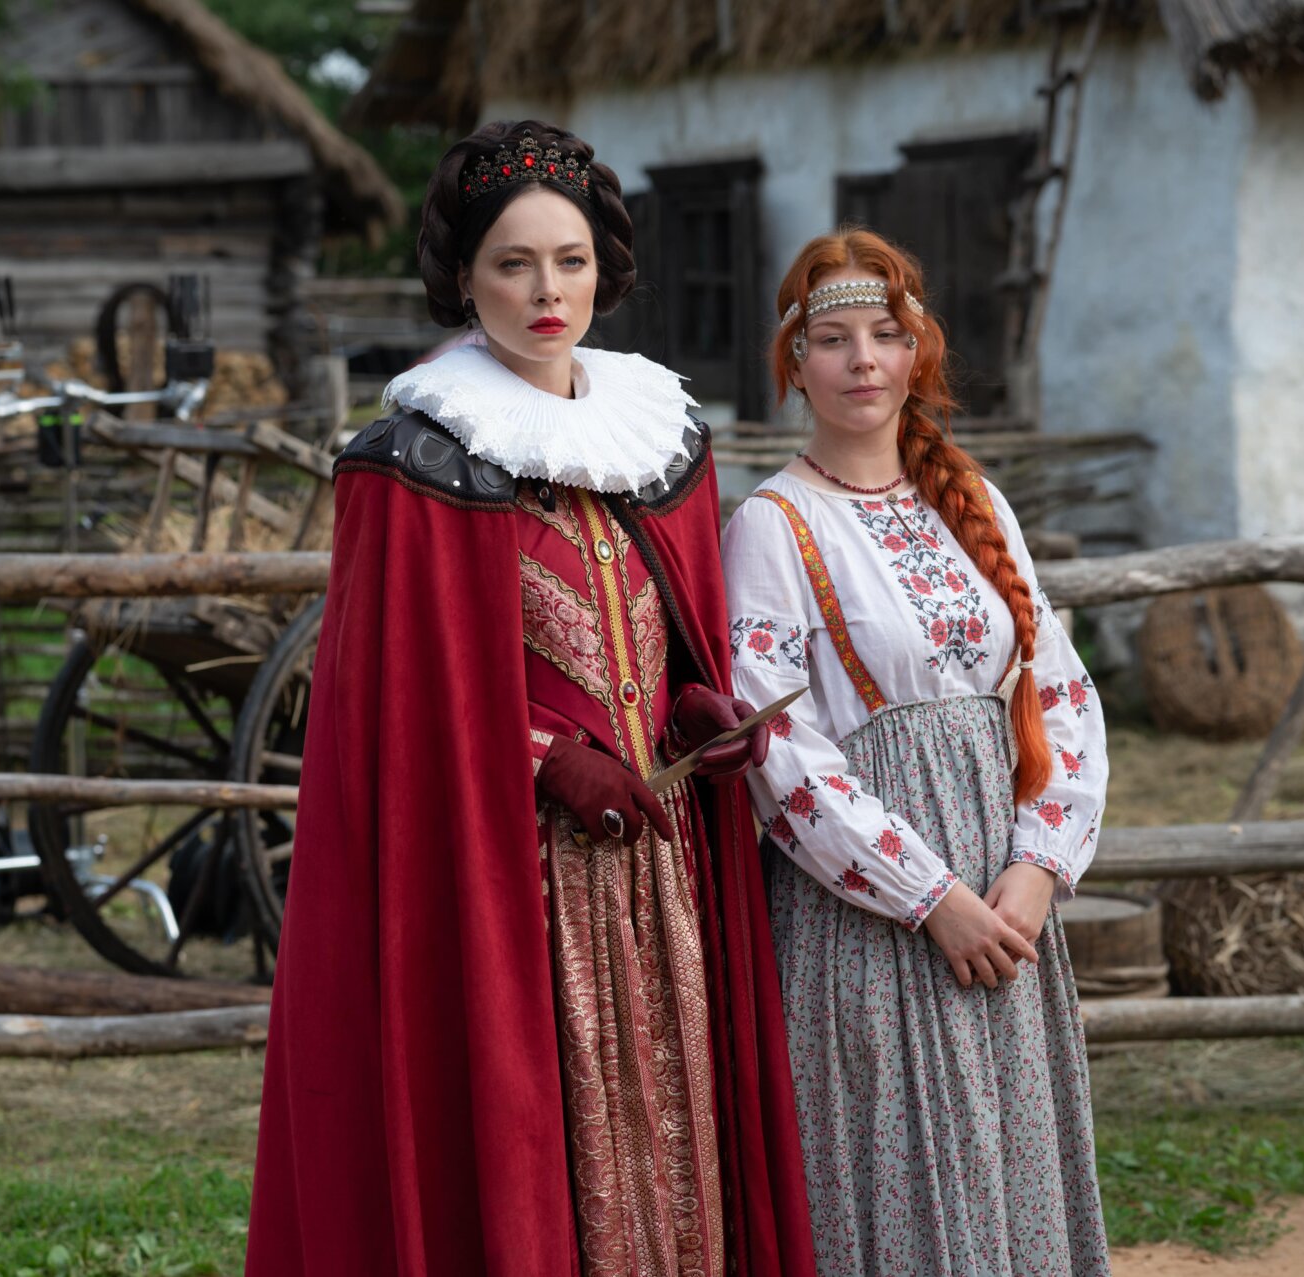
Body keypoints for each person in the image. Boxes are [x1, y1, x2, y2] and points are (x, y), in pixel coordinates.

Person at [245, 120, 816, 1277]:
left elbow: (677, 624)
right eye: (513, 263)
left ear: (605, 269)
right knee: (537, 1140)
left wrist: (695, 706)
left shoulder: (660, 442)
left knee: (684, 1134)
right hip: (509, 886)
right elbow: (394, 703)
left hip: (667, 870)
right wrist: (548, 754)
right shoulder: (412, 464)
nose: (547, 291)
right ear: (464, 278)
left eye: (570, 259)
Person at [720, 228, 1111, 1276]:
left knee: (1006, 1170)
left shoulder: (973, 498)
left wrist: (1038, 865)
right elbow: (777, 747)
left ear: (917, 351)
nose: (862, 360)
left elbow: (1061, 691)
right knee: (903, 1183)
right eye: (833, 339)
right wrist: (929, 895)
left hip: (1005, 896)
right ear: (795, 362)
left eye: (884, 334)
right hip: (871, 913)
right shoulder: (772, 524)